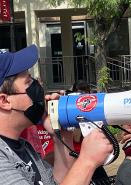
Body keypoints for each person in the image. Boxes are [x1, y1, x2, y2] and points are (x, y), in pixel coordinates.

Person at [0, 45, 113, 184]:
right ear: (4, 101)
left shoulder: (24, 147)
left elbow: (60, 181)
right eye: (28, 82)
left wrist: (62, 134)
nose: (38, 86)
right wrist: (87, 161)